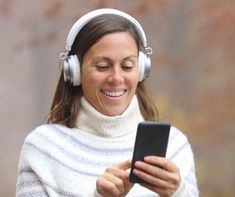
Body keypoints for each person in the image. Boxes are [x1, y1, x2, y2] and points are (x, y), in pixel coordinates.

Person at [16, 8, 199, 197]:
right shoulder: (43, 149)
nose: (116, 78)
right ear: (75, 71)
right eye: (103, 66)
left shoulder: (175, 146)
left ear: (142, 69)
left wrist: (180, 193)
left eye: (127, 66)